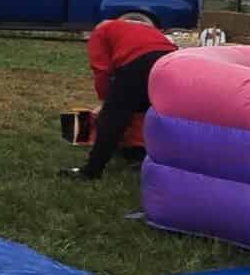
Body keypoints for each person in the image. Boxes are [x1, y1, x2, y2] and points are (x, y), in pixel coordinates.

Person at [62, 17, 178, 181]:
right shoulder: (146, 30)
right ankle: (142, 155)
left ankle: (91, 171)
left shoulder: (101, 30)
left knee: (113, 118)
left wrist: (105, 100)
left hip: (138, 62)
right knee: (153, 113)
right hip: (172, 62)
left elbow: (101, 70)